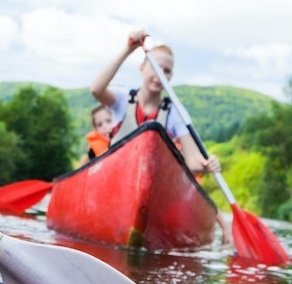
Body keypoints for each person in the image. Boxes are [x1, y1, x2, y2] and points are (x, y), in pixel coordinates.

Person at [89, 28, 221, 176]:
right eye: (155, 67)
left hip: (152, 180)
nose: (160, 75)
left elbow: (192, 160)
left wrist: (206, 164)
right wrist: (129, 48)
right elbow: (96, 89)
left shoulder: (175, 111)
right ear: (142, 68)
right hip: (115, 177)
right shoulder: (122, 99)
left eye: (166, 71)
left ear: (171, 76)